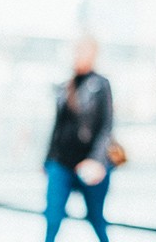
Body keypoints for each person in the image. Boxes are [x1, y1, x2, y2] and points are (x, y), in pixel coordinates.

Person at [44, 36, 114, 242]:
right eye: (76, 50)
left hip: (89, 163)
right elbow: (58, 126)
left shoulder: (101, 85)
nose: (78, 55)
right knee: (52, 216)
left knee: (96, 218)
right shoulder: (66, 85)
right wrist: (47, 159)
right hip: (61, 161)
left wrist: (97, 160)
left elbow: (106, 127)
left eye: (84, 51)